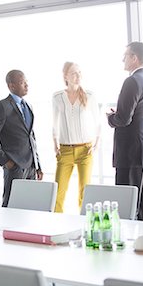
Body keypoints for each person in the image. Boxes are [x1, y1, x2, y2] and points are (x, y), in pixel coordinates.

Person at [107, 41, 143, 221]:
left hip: (131, 152)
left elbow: (123, 119)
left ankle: (127, 245)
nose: (123, 59)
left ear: (134, 58)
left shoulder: (132, 80)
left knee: (127, 206)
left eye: (126, 55)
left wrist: (110, 117)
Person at [0, 69, 43, 207]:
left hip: (31, 166)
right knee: (10, 205)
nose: (27, 85)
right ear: (12, 86)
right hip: (14, 166)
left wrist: (38, 165)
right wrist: (5, 161)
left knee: (30, 205)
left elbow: (31, 137)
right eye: (23, 83)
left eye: (26, 82)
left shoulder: (28, 106)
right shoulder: (2, 106)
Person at [52, 62, 100, 213]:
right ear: (65, 76)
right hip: (64, 150)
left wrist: (96, 145)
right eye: (74, 73)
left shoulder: (90, 96)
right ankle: (56, 224)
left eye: (79, 73)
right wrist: (55, 144)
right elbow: (54, 123)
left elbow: (98, 122)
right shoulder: (57, 97)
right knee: (58, 192)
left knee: (84, 192)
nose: (78, 76)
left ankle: (85, 225)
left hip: (85, 150)